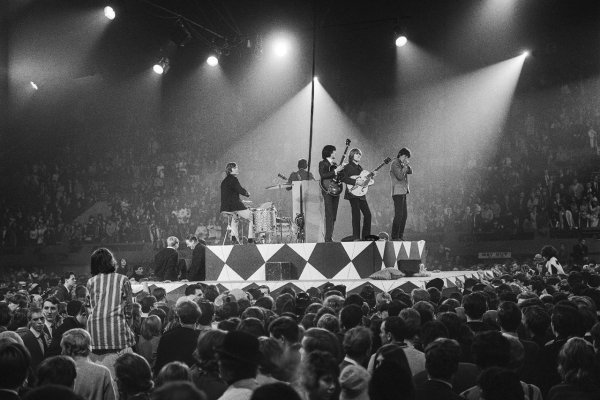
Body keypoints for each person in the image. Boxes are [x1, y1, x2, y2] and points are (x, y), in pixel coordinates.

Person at [86, 248, 136, 376]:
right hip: (116, 332)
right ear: (111, 261)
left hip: (94, 334)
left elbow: (89, 307)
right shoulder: (123, 279)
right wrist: (129, 327)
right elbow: (129, 308)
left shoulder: (90, 281)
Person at [61, 328, 116, 400]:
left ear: (68, 348)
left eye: (62, 348)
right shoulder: (103, 372)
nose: (61, 352)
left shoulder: (61, 372)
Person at [341, 148, 373, 240]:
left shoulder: (360, 168)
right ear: (351, 155)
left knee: (368, 214)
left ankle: (366, 237)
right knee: (356, 215)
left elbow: (364, 182)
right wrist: (355, 182)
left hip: (361, 194)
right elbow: (343, 178)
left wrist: (370, 178)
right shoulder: (347, 167)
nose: (359, 155)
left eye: (359, 154)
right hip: (352, 193)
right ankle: (356, 237)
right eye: (356, 154)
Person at [220, 162, 254, 245]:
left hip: (225, 207)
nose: (237, 169)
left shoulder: (224, 181)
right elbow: (240, 189)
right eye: (235, 168)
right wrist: (247, 193)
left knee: (235, 217)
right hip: (234, 206)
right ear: (230, 169)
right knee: (252, 217)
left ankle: (234, 238)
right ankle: (250, 239)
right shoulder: (234, 179)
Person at [319, 145, 345, 242]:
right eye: (334, 151)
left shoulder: (335, 164)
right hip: (327, 189)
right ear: (329, 152)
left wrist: (342, 170)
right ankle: (328, 238)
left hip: (336, 190)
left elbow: (340, 177)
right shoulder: (322, 163)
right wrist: (336, 170)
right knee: (329, 214)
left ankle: (329, 236)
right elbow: (323, 175)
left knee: (333, 215)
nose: (335, 153)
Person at [390, 147, 412, 241]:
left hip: (403, 191)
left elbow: (410, 171)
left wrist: (406, 165)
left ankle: (400, 235)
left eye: (407, 157)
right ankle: (395, 236)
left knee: (404, 215)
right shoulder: (395, 163)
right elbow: (399, 176)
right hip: (397, 192)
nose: (406, 158)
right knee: (399, 215)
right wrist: (405, 167)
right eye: (405, 156)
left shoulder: (402, 164)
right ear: (400, 154)